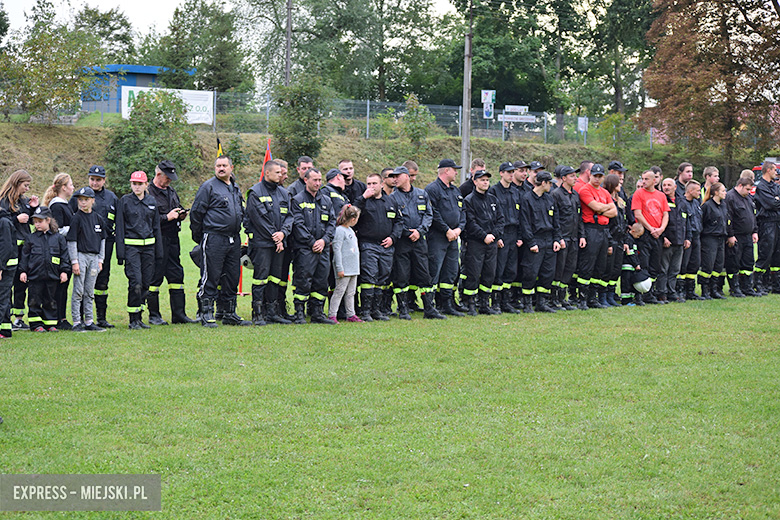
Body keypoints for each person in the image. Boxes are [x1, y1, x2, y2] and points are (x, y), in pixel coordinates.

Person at [191, 156, 250, 327]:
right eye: (218, 166)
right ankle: (206, 314)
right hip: (214, 237)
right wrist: (201, 236)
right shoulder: (208, 187)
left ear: (232, 167)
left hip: (233, 239)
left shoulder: (235, 188)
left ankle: (229, 313)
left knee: (232, 276)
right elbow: (196, 213)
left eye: (224, 165)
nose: (221, 168)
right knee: (211, 275)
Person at [389, 166, 445, 320]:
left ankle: (429, 309)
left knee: (424, 276)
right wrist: (408, 233)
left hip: (419, 242)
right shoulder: (392, 198)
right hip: (403, 242)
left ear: (406, 176)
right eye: (392, 177)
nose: (394, 179)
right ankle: (403, 309)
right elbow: (394, 221)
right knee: (402, 276)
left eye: (397, 176)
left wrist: (419, 231)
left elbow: (428, 215)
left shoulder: (422, 194)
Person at [147, 160, 197, 325]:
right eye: (167, 177)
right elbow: (147, 219)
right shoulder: (149, 193)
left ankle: (179, 315)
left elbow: (176, 208)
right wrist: (167, 217)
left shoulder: (171, 191)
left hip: (173, 240)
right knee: (155, 277)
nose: (169, 181)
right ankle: (154, 315)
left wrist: (181, 214)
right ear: (158, 174)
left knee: (176, 275)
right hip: (157, 240)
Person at [244, 160, 293, 326]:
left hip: (279, 242)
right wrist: (275, 236)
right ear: (267, 173)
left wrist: (283, 233)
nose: (281, 175)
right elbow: (259, 219)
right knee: (261, 278)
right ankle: (257, 313)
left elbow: (290, 217)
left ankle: (272, 313)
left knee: (275, 278)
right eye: (278, 172)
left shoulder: (283, 193)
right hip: (262, 243)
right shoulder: (255, 192)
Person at [69, 165, 119, 329]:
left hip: (103, 244)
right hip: (82, 248)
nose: (95, 183)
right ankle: (80, 319)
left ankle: (100, 318)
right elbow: (69, 221)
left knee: (102, 280)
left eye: (98, 180)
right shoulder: (79, 198)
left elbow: (118, 222)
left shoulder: (111, 197)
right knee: (80, 285)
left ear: (104, 180)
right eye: (92, 179)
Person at [116, 171, 163, 329]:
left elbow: (156, 226)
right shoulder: (125, 201)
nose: (136, 186)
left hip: (149, 248)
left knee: (145, 283)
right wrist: (121, 254)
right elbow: (120, 228)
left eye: (139, 184)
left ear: (146, 185)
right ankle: (132, 319)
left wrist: (159, 252)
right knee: (135, 282)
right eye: (134, 184)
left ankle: (140, 317)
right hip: (132, 248)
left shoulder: (151, 201)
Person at [290, 168, 337, 324]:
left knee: (321, 281)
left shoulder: (326, 201)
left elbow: (331, 223)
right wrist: (312, 242)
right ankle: (299, 314)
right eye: (314, 180)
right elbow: (298, 224)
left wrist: (323, 240)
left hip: (322, 248)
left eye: (319, 180)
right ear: (306, 180)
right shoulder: (297, 200)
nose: (318, 183)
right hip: (305, 249)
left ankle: (317, 313)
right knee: (303, 280)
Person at [353, 173, 402, 322]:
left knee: (382, 278)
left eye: (374, 183)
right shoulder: (363, 201)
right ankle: (366, 311)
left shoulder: (390, 201)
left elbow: (399, 222)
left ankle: (377, 310)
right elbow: (352, 214)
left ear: (382, 184)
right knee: (369, 277)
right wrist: (363, 198)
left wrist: (393, 238)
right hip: (368, 244)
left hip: (386, 246)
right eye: (368, 184)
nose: (371, 187)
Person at [18, 206, 70, 332]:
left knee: (51, 300)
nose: (37, 224)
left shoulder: (58, 238)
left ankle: (50, 323)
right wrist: (23, 271)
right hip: (35, 276)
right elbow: (24, 257)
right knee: (34, 300)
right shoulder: (31, 238)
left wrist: (64, 271)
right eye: (35, 222)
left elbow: (64, 256)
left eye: (40, 221)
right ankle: (36, 324)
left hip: (52, 276)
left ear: (48, 220)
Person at [425, 159, 466, 316]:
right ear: (446, 171)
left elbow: (462, 212)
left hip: (454, 237)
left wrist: (459, 229)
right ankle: (430, 305)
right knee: (434, 270)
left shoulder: (455, 191)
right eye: (454, 170)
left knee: (451, 271)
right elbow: (433, 213)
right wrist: (446, 230)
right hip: (438, 237)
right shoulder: (432, 189)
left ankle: (446, 304)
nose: (456, 172)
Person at [0, 170, 39, 330]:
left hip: (24, 250)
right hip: (10, 250)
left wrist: (32, 208)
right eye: (25, 185)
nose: (27, 189)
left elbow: (28, 220)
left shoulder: (22, 201)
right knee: (7, 286)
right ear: (16, 183)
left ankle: (19, 319)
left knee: (22, 284)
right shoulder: (3, 202)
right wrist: (16, 219)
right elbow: (3, 222)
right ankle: (5, 319)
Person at [574, 164, 617, 310]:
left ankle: (593, 298)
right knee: (587, 264)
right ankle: (582, 299)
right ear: (590, 175)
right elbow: (596, 207)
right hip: (591, 229)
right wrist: (602, 208)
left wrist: (600, 210)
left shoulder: (605, 192)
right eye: (595, 176)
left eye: (600, 176)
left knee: (600, 265)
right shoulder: (585, 189)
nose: (597, 179)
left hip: (604, 230)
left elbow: (614, 212)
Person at [518, 171, 562, 313]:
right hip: (535, 240)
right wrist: (531, 243)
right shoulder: (527, 199)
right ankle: (527, 303)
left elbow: (556, 222)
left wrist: (556, 239)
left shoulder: (550, 200)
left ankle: (542, 302)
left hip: (549, 240)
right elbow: (525, 223)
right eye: (549, 183)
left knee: (548, 272)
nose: (551, 186)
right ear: (543, 183)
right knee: (530, 272)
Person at [463, 169, 505, 315]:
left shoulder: (493, 199)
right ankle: (471, 304)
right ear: (475, 182)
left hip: (491, 243)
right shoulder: (469, 200)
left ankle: (484, 304)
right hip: (476, 243)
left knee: (489, 274)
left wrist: (494, 235)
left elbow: (501, 220)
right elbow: (471, 223)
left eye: (487, 180)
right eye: (482, 180)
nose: (485, 182)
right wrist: (483, 236)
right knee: (473, 274)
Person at [67, 186, 107, 333]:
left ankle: (89, 321)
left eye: (86, 200)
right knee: (78, 291)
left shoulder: (98, 218)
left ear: (92, 201)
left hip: (94, 258)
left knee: (89, 291)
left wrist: (101, 260)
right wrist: (74, 261)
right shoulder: (76, 218)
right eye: (80, 200)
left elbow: (102, 240)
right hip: (81, 256)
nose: (83, 203)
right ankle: (77, 322)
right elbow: (72, 241)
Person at [488, 162, 523, 313]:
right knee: (499, 269)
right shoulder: (494, 191)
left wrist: (520, 236)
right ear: (501, 173)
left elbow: (520, 215)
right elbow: (491, 216)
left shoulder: (515, 192)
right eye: (508, 172)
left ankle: (506, 301)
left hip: (514, 234)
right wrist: (497, 236)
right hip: (501, 234)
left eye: (512, 172)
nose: (511, 174)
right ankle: (495, 301)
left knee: (511, 270)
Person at [632, 169, 670, 303]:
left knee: (656, 265)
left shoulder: (661, 196)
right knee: (644, 264)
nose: (643, 182)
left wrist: (661, 229)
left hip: (658, 234)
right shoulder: (639, 193)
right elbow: (638, 214)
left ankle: (650, 292)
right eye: (642, 179)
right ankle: (640, 295)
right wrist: (651, 229)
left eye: (646, 179)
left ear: (655, 180)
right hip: (645, 234)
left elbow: (666, 214)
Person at [43, 173, 75, 329]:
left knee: (63, 286)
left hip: (66, 250)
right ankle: (56, 318)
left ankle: (61, 317)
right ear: (63, 187)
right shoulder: (57, 205)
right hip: (59, 252)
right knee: (59, 286)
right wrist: (77, 229)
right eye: (71, 184)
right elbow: (57, 229)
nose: (73, 187)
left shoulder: (65, 204)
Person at [551, 165, 584, 310]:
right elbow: (555, 219)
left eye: (575, 175)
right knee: (559, 268)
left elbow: (579, 217)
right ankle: (553, 298)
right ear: (563, 178)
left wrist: (581, 236)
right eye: (571, 176)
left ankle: (563, 297)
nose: (575, 178)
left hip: (574, 238)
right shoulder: (556, 194)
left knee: (570, 268)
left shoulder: (575, 195)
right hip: (563, 237)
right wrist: (558, 238)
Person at [725, 177, 758, 297]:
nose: (749, 192)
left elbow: (752, 216)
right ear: (740, 185)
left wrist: (754, 231)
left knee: (748, 263)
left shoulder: (748, 198)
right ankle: (734, 288)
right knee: (734, 262)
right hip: (736, 236)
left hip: (748, 235)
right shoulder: (730, 197)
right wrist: (730, 235)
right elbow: (728, 218)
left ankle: (747, 287)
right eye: (747, 189)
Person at [330, 205, 363, 323]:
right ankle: (332, 314)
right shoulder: (339, 230)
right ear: (353, 219)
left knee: (351, 293)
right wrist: (339, 268)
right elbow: (337, 249)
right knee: (339, 291)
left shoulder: (351, 231)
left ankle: (351, 314)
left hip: (353, 268)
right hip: (344, 268)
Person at [659, 177, 690, 302]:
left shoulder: (682, 201)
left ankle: (672, 292)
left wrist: (687, 238)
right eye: (664, 185)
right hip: (667, 241)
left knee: (675, 269)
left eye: (669, 185)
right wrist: (664, 237)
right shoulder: (661, 200)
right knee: (663, 269)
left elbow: (686, 221)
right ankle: (662, 293)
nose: (666, 187)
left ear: (675, 187)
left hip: (679, 241)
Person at [753, 161, 780, 295]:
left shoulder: (774, 186)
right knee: (765, 253)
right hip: (767, 223)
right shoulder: (761, 187)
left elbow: (776, 202)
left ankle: (775, 284)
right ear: (768, 170)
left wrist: (776, 200)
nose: (777, 172)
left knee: (777, 254)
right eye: (775, 170)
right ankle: (758, 283)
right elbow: (771, 204)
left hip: (777, 222)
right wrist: (775, 200)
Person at [699, 182, 729, 299]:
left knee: (718, 265)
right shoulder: (707, 206)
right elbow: (702, 222)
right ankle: (704, 290)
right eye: (723, 191)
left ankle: (714, 289)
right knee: (708, 265)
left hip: (721, 238)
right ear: (716, 192)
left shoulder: (723, 205)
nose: (725, 193)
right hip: (709, 238)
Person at [601, 173, 625, 307]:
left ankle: (611, 295)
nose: (620, 185)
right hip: (611, 239)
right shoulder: (606, 201)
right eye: (618, 183)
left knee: (616, 270)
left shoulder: (620, 201)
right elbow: (607, 224)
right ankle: (603, 296)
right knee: (607, 270)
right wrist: (610, 242)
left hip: (620, 240)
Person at [679, 180, 704, 300]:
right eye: (698, 190)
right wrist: (686, 237)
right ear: (690, 191)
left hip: (697, 236)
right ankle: (680, 290)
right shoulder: (682, 203)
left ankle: (690, 291)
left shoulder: (696, 203)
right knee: (684, 264)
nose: (700, 193)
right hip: (686, 238)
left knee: (695, 263)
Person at [0, 204, 17, 338]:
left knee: (2, 298)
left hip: (6, 266)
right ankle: (5, 329)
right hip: (4, 265)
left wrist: (1, 267)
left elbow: (6, 247)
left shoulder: (4, 222)